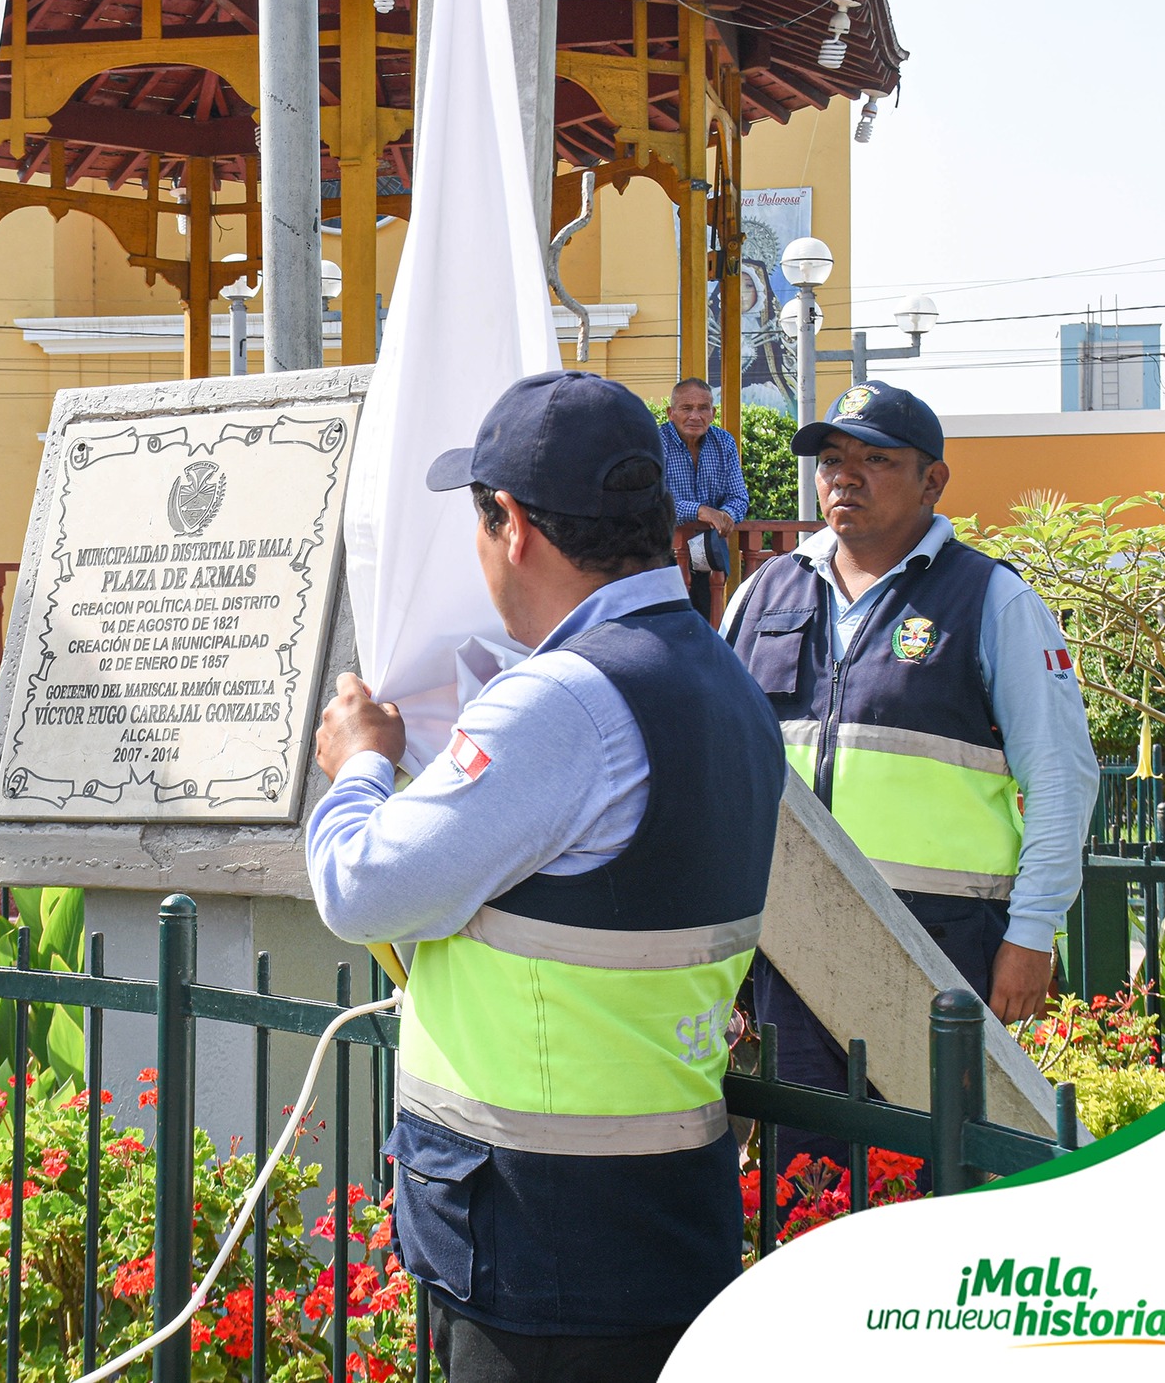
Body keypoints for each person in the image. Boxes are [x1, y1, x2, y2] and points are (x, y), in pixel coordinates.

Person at [306, 372, 787, 1383]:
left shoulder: (562, 702)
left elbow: (360, 885)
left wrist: (359, 761)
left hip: (536, 1250)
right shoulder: (718, 677)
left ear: (512, 525)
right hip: (658, 1220)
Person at [723, 382, 1097, 1163]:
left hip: (940, 953)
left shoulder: (992, 599)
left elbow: (1061, 776)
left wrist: (1033, 931)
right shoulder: (764, 592)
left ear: (934, 481)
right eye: (831, 459)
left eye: (874, 459)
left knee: (932, 1175)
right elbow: (721, 766)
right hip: (791, 949)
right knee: (804, 1180)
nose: (844, 477)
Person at [660, 378, 749, 621]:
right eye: (687, 408)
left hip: (706, 552)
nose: (695, 416)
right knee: (668, 626)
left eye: (703, 408)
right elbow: (654, 501)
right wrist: (701, 511)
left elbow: (739, 496)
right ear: (671, 413)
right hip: (662, 553)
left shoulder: (724, 442)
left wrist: (726, 515)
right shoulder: (656, 442)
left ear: (713, 412)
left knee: (706, 623)